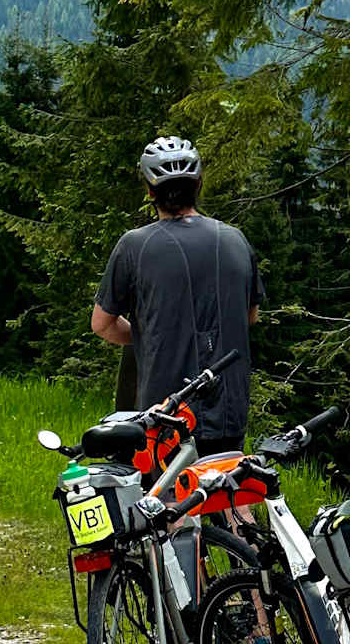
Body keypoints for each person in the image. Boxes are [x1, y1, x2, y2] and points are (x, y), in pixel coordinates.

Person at [91, 135, 264, 456]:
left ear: (150, 191)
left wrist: (148, 336)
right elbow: (250, 316)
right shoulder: (236, 240)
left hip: (166, 410)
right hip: (229, 405)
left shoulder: (134, 246)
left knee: (169, 500)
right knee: (229, 494)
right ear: (198, 185)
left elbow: (102, 324)